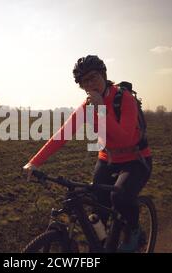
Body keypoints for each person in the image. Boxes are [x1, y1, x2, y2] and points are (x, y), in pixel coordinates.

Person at [22, 55, 153, 252]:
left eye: (93, 78)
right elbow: (62, 135)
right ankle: (102, 247)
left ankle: (135, 231)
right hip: (108, 159)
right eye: (85, 82)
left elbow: (125, 137)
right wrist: (34, 162)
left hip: (135, 159)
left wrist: (101, 109)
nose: (90, 84)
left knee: (120, 196)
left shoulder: (124, 99)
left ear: (104, 76)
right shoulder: (86, 107)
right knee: (96, 214)